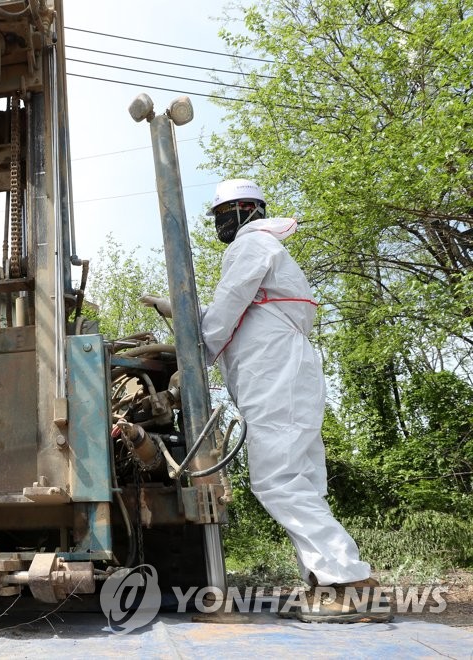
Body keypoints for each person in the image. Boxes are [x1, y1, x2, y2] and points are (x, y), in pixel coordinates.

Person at [141, 178, 391, 623]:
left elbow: (227, 311)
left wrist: (191, 340)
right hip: (285, 375)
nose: (219, 223)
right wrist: (179, 311)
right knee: (301, 482)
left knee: (277, 479)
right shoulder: (266, 251)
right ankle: (327, 580)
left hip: (276, 377)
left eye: (222, 215)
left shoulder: (252, 244)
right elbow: (235, 309)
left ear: (243, 210)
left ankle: (351, 584)